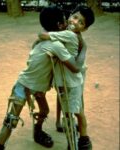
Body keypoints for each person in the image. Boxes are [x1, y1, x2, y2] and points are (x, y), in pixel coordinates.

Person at [0, 6, 86, 150]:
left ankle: (36, 132)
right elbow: (75, 67)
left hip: (32, 85)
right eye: (64, 21)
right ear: (59, 25)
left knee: (43, 111)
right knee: (12, 120)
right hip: (25, 85)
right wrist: (83, 47)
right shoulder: (56, 45)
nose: (67, 23)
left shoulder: (45, 38)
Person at [38, 5, 95, 150]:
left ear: (84, 28)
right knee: (70, 105)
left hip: (73, 77)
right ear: (70, 16)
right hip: (67, 78)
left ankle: (82, 139)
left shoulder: (69, 34)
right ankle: (69, 130)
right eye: (75, 17)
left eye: (81, 22)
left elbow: (42, 35)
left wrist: (48, 35)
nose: (75, 22)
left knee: (75, 110)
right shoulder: (69, 33)